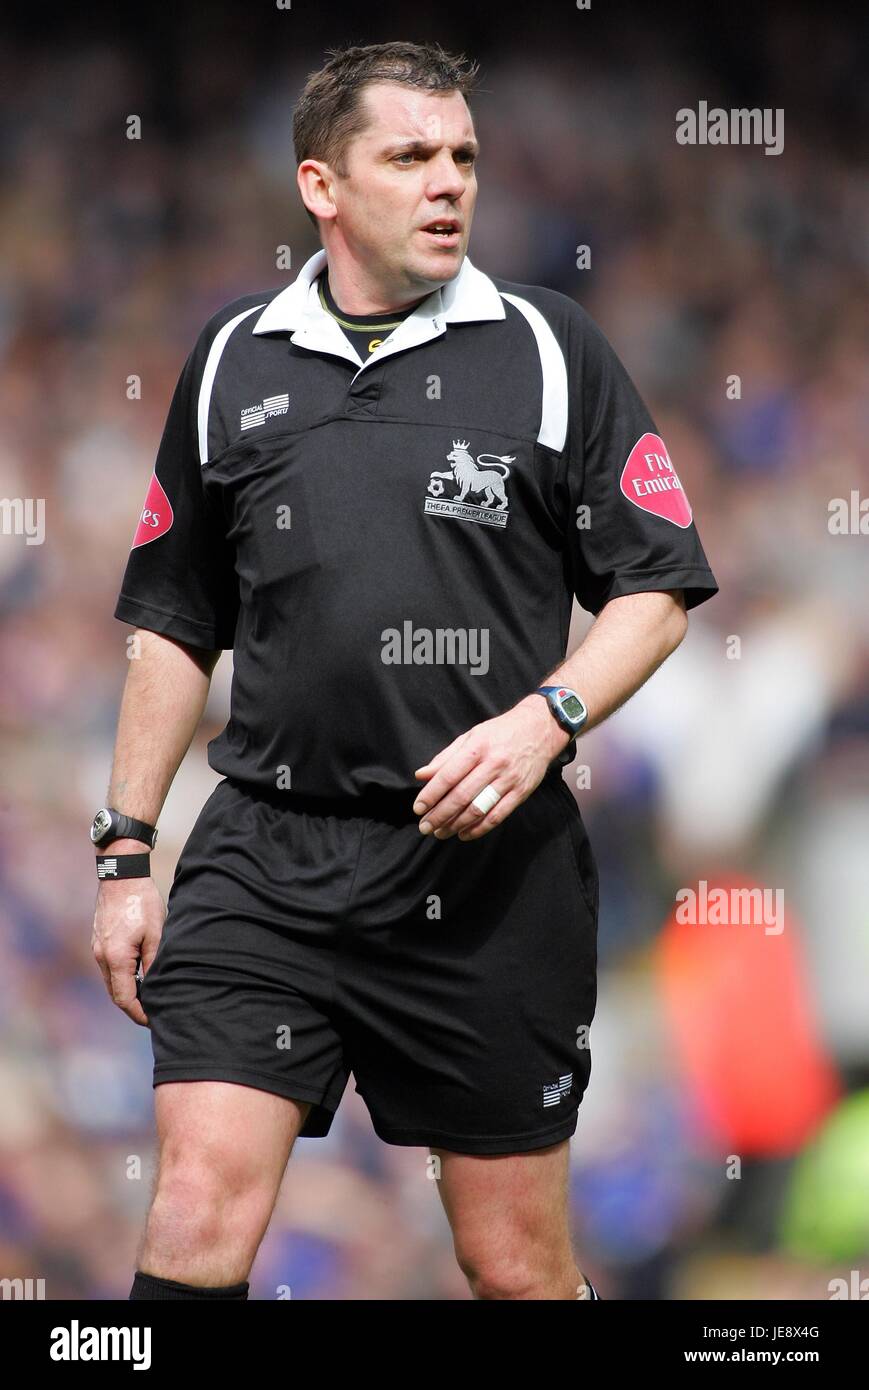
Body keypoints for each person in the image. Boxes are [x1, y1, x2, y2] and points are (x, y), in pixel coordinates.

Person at [92, 40, 718, 1302]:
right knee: (199, 1208)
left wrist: (545, 719)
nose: (449, 184)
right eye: (410, 157)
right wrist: (124, 852)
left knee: (513, 1264)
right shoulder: (231, 359)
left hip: (486, 878)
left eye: (463, 158)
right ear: (321, 185)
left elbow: (655, 590)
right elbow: (171, 621)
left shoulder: (550, 349)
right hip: (266, 859)